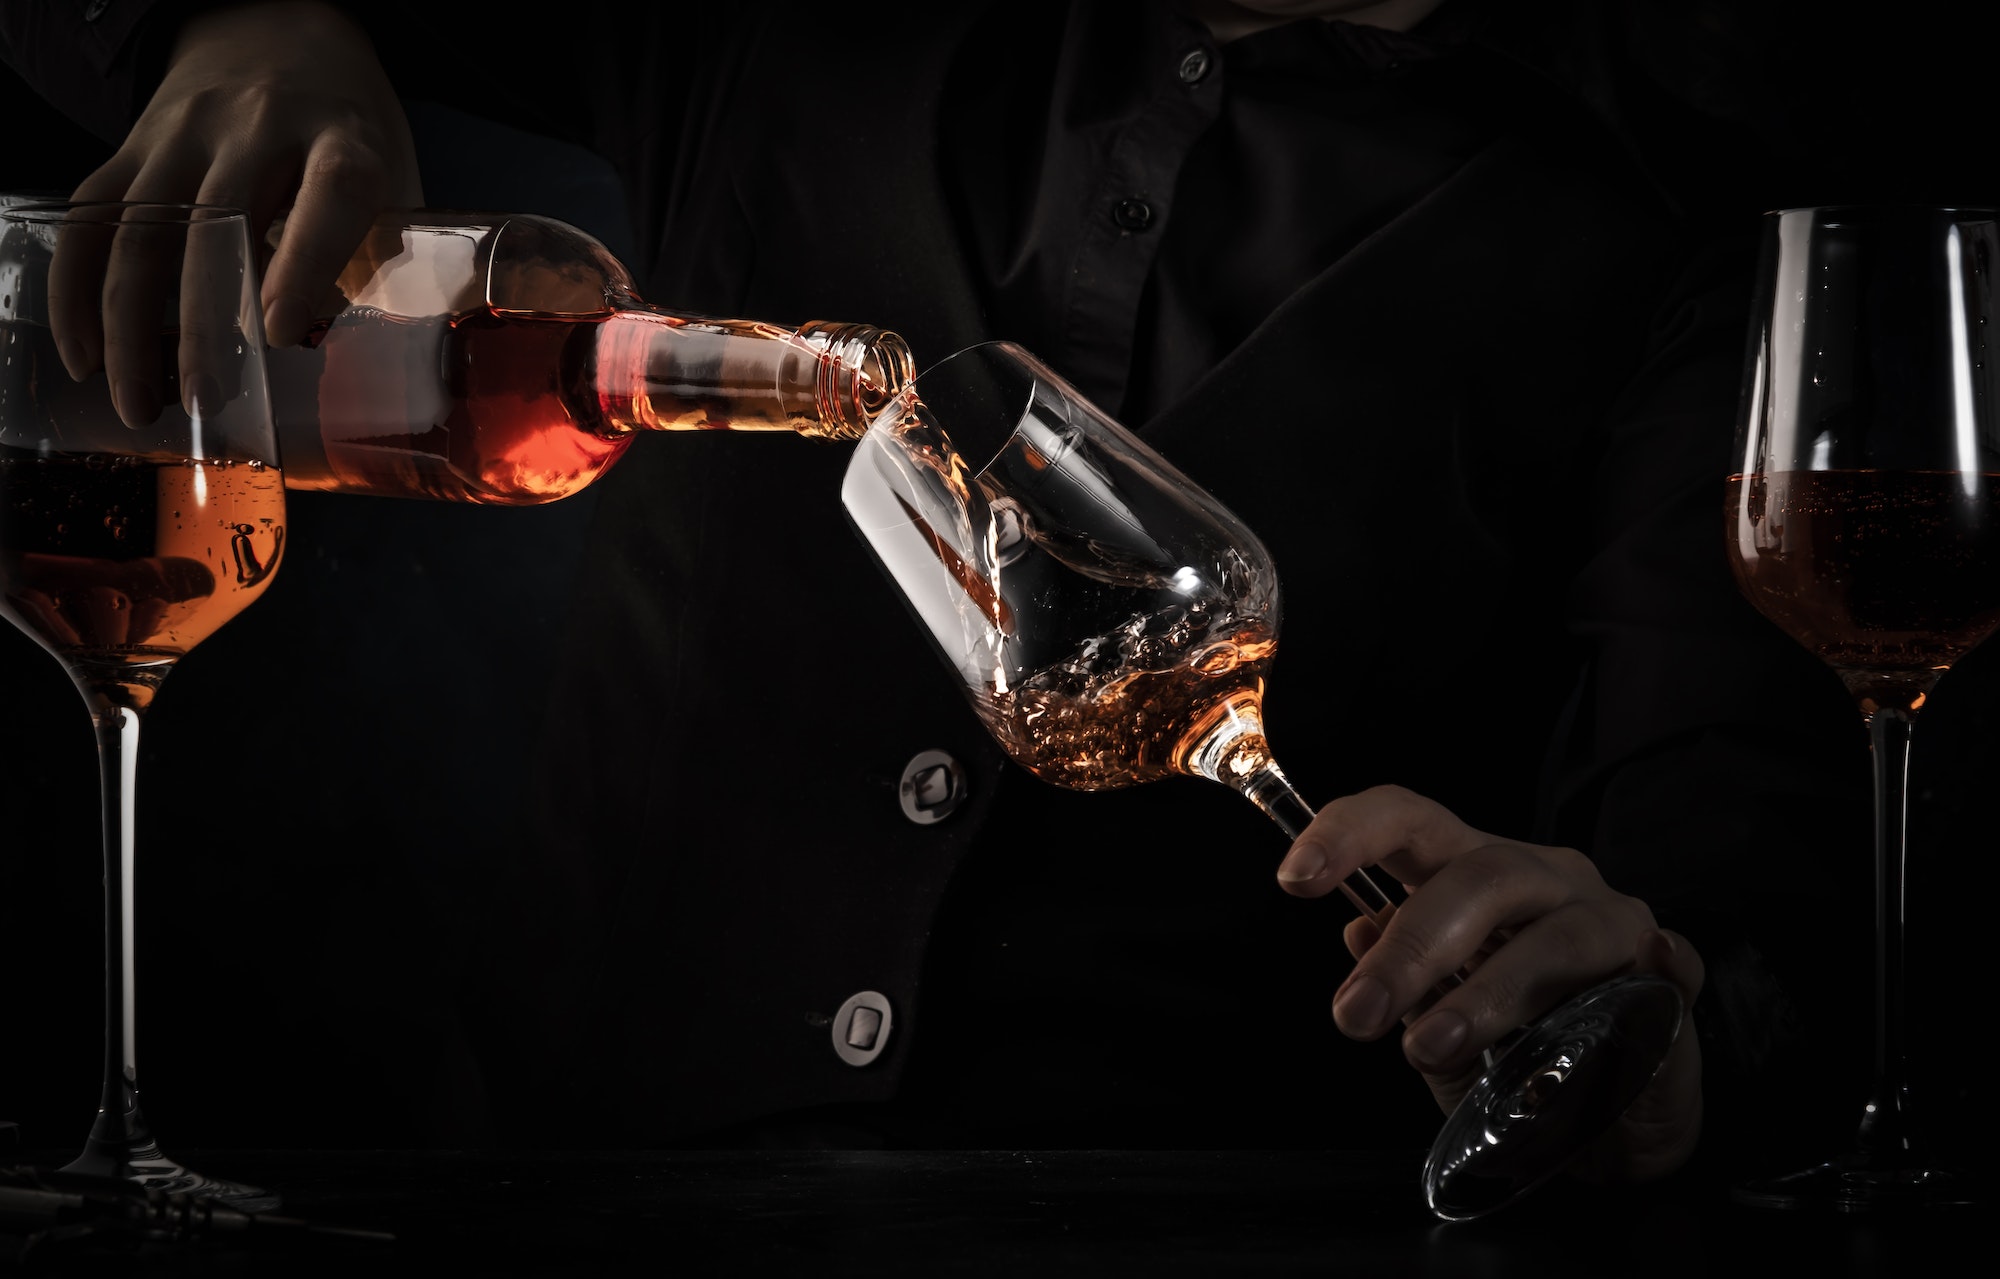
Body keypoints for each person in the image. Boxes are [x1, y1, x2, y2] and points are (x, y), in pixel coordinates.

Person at [6, 0, 1971, 1194]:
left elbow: (1731, 871)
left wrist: (1665, 1040)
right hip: (558, 1208)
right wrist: (248, 4)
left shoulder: (1682, 210)